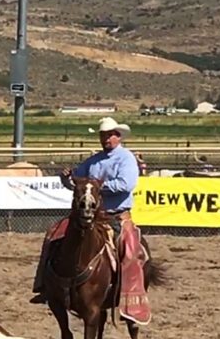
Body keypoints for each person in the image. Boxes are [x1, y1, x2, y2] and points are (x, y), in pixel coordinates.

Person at [31, 117, 151, 322]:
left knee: (129, 251)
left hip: (116, 217)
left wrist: (95, 187)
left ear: (118, 136)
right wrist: (66, 178)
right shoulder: (93, 160)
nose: (106, 139)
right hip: (89, 216)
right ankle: (45, 285)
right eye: (103, 135)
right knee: (54, 234)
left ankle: (130, 295)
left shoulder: (126, 159)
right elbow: (77, 182)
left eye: (110, 135)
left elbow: (126, 184)